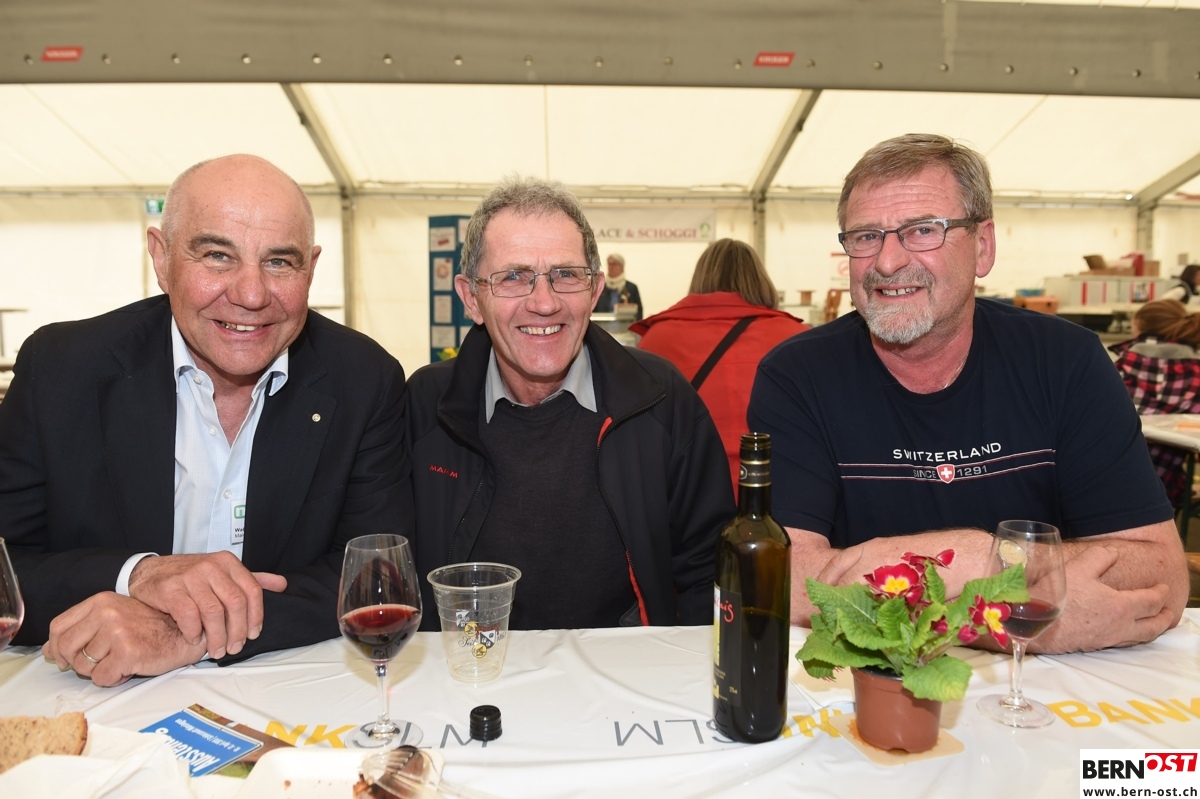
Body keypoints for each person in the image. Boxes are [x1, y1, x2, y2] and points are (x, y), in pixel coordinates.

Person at [747, 133, 1187, 654]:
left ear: (983, 246)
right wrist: (1009, 606)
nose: (887, 262)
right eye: (866, 236)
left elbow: (1160, 570)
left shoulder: (1067, 361)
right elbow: (787, 581)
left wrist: (981, 560)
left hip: (1048, 691)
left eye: (922, 231)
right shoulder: (798, 375)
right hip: (864, 683)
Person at [0, 155, 411, 686]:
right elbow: (7, 567)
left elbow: (376, 575)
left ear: (310, 268)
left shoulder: (364, 379)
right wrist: (136, 574)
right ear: (161, 257)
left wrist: (180, 633)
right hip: (88, 693)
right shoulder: (63, 368)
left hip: (284, 691)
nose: (251, 295)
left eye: (279, 262)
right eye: (218, 256)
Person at [405, 176, 732, 631]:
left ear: (594, 291)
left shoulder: (660, 399)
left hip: (623, 669)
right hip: (471, 665)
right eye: (513, 276)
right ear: (471, 299)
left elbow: (710, 570)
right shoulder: (425, 406)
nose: (544, 303)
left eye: (565, 275)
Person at [631, 238, 809, 491]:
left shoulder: (657, 340)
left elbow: (641, 434)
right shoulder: (798, 340)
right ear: (761, 279)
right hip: (779, 490)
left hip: (691, 493)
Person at [1109, 298, 1200, 506]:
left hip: (1105, 477)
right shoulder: (1196, 371)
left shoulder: (1122, 365)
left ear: (1138, 326)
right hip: (1164, 486)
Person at [594, 253, 643, 320]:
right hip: (602, 325)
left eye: (614, 264)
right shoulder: (600, 287)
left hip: (625, 325)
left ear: (622, 267)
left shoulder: (631, 288)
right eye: (609, 264)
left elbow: (639, 313)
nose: (611, 267)